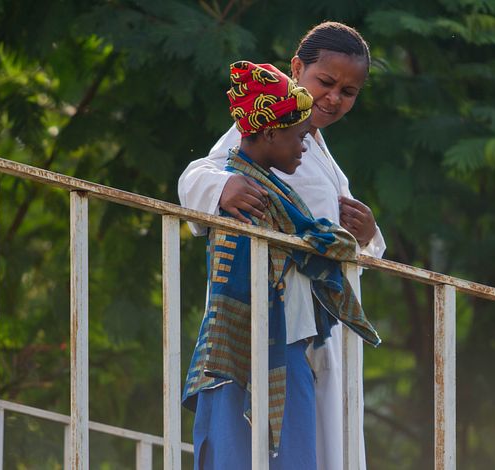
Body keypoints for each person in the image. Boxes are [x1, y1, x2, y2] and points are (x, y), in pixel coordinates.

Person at [178, 22, 384, 470]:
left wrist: (368, 236)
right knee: (274, 441)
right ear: (296, 69)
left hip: (324, 323)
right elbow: (202, 173)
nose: (333, 98)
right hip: (276, 316)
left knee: (326, 436)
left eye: (348, 92)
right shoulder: (270, 123)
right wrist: (223, 189)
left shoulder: (320, 152)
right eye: (325, 82)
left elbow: (341, 244)